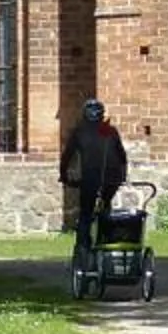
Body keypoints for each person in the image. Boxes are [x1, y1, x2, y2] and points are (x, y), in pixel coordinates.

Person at [60, 97, 128, 269]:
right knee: (105, 207)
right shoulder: (110, 131)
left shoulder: (80, 132)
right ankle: (106, 242)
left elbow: (67, 156)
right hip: (111, 179)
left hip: (90, 180)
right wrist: (122, 176)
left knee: (85, 214)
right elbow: (122, 156)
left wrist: (64, 176)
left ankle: (82, 251)